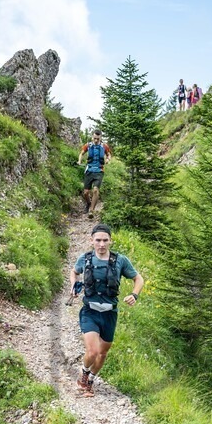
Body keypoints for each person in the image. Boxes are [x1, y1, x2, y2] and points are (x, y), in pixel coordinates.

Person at [69, 223, 144, 397]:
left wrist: (134, 294)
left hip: (110, 313)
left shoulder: (120, 261)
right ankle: (84, 375)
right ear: (91, 241)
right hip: (90, 311)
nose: (101, 244)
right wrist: (73, 285)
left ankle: (91, 380)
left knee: (102, 353)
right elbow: (74, 272)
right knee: (93, 351)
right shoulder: (85, 258)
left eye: (105, 240)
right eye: (98, 240)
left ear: (110, 241)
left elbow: (138, 278)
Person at [77, 129, 112, 218]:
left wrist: (108, 159)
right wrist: (79, 161)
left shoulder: (104, 146)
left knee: (95, 190)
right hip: (89, 170)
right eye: (94, 138)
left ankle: (91, 210)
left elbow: (109, 154)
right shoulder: (88, 145)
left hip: (99, 171)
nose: (96, 140)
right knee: (85, 193)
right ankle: (88, 203)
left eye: (98, 139)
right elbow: (81, 153)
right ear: (92, 137)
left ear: (100, 138)